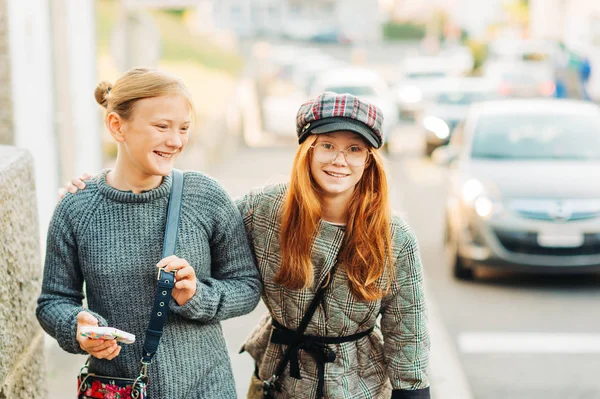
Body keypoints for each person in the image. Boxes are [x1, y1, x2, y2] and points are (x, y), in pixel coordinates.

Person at [61, 91, 431, 398]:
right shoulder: (266, 209)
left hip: (359, 385)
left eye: (354, 150)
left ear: (369, 161)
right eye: (328, 146)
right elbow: (197, 226)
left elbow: (407, 334)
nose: (339, 160)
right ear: (307, 151)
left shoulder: (393, 236)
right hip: (278, 380)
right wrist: (103, 192)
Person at [38, 67, 261, 398]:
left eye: (184, 128)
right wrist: (77, 326)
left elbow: (247, 285)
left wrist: (197, 295)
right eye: (162, 127)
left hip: (205, 388)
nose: (175, 140)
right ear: (117, 126)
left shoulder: (205, 196)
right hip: (117, 388)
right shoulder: (76, 208)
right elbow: (53, 301)